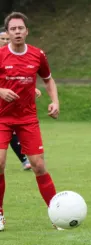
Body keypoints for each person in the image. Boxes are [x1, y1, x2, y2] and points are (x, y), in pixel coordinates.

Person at [0, 12, 60, 232]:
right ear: (7, 32)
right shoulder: (0, 55)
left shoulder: (37, 55)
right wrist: (1, 91)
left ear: (26, 31)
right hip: (2, 118)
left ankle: (57, 213)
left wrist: (55, 102)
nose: (17, 32)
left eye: (20, 28)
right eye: (13, 29)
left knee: (39, 166)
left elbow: (48, 79)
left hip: (27, 119)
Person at [0, 29, 33, 170]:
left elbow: (18, 79)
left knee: (11, 131)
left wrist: (31, 88)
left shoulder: (13, 57)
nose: (6, 42)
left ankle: (25, 160)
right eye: (3, 39)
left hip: (7, 106)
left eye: (8, 39)